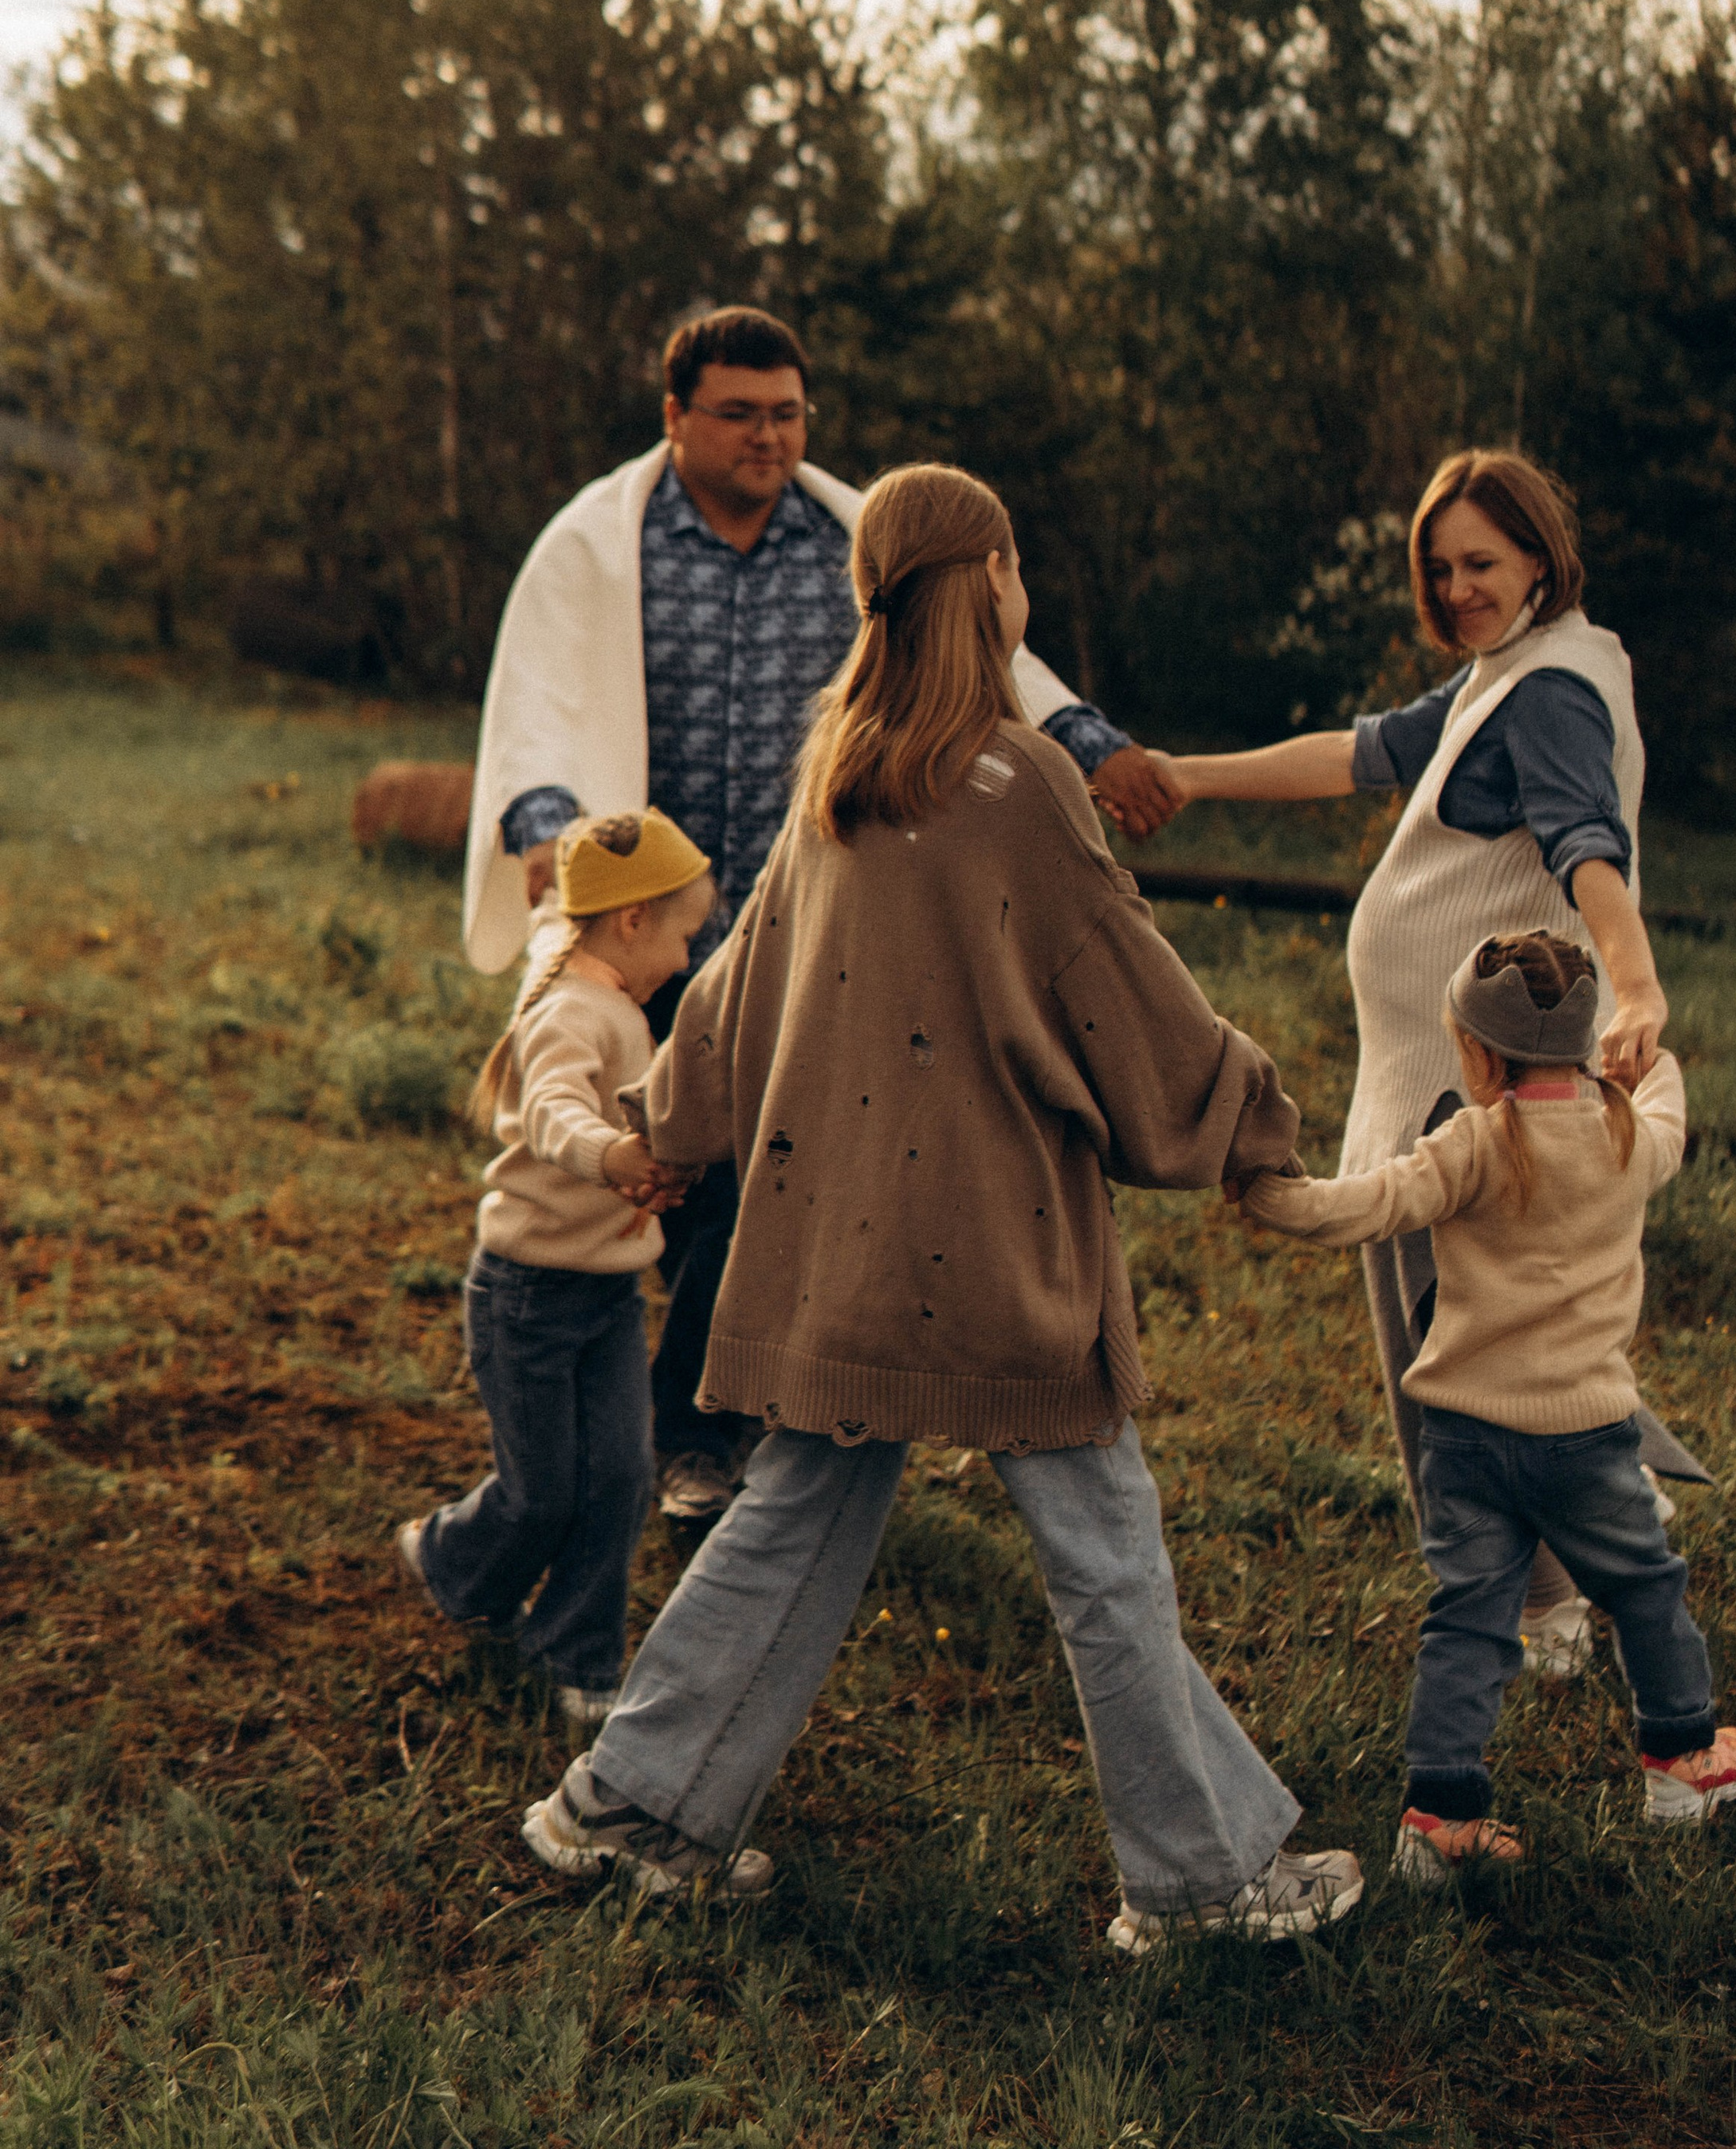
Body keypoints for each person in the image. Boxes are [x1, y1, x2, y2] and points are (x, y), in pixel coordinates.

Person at [519, 463, 1364, 1952]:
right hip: (995, 1260)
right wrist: (1248, 1124)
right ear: (989, 587)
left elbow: (731, 992)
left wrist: (667, 1132)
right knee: (1105, 1554)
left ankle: (630, 1809)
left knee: (792, 1513)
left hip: (835, 1252)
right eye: (1017, 561)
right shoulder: (1019, 781)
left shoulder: (837, 770)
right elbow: (1126, 988)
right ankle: (1203, 1882)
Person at [461, 304, 1182, 1523]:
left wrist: (1094, 746)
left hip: (808, 930)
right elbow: (541, 702)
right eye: (738, 414)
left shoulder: (844, 542)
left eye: (787, 414)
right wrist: (546, 829)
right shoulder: (601, 547)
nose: (768, 437)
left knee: (757, 1174)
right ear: (676, 417)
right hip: (648, 934)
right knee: (641, 1167)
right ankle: (579, 1433)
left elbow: (981, 654)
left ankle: (700, 1436)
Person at [1154, 447, 1704, 1676]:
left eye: (1483, 564)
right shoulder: (1506, 675)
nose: (1457, 588)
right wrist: (1189, 778)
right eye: (1441, 567)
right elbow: (1355, 755)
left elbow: (1585, 846)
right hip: (1444, 1064)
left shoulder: (1548, 690)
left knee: (1446, 1361)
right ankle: (1600, 1536)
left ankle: (1547, 1603)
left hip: (1470, 1081)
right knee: (1495, 1331)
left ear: (1541, 558)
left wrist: (1643, 974)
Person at [1240, 929, 1736, 1878]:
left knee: (1470, 1620)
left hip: (1466, 1438)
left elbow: (1367, 1205)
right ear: (1586, 1046)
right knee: (1643, 1590)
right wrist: (1656, 1056)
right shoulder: (1625, 1136)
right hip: (1588, 1440)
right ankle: (1683, 1761)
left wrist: (1273, 1196)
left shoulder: (1473, 1141)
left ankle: (1438, 1821)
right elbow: (1671, 1124)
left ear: (1477, 1054)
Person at [395, 810, 714, 1732]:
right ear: (630, 924)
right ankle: (452, 1559)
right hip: (528, 1294)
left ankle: (574, 1652)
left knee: (619, 1477)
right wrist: (612, 1159)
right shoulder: (574, 1011)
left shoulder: (607, 994)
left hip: (606, 1292)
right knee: (543, 1493)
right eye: (684, 935)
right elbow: (552, 1114)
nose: (687, 958)